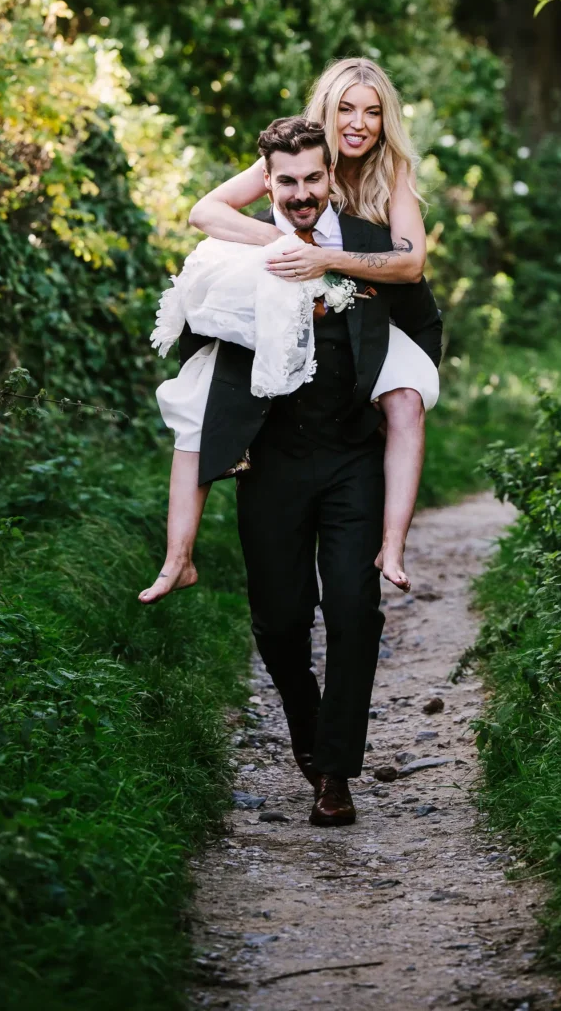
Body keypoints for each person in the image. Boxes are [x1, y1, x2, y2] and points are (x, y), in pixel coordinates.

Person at [157, 116, 442, 825]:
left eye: (315, 178)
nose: (303, 192)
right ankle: (308, 735)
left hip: (352, 460)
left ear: (330, 177)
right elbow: (201, 382)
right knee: (280, 621)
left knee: (353, 610)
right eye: (288, 182)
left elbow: (418, 305)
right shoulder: (237, 256)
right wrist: (179, 545)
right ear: (269, 184)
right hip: (273, 466)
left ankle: (336, 773)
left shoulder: (367, 249)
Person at [145, 57, 430, 602]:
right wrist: (282, 247)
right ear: (327, 109)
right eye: (346, 107)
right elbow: (206, 211)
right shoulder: (303, 152)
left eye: (372, 112)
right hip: (291, 296)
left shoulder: (393, 168)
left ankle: (392, 544)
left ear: (385, 119)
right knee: (200, 401)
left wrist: (328, 258)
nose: (358, 123)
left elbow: (411, 263)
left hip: (367, 313)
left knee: (405, 401)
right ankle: (179, 556)